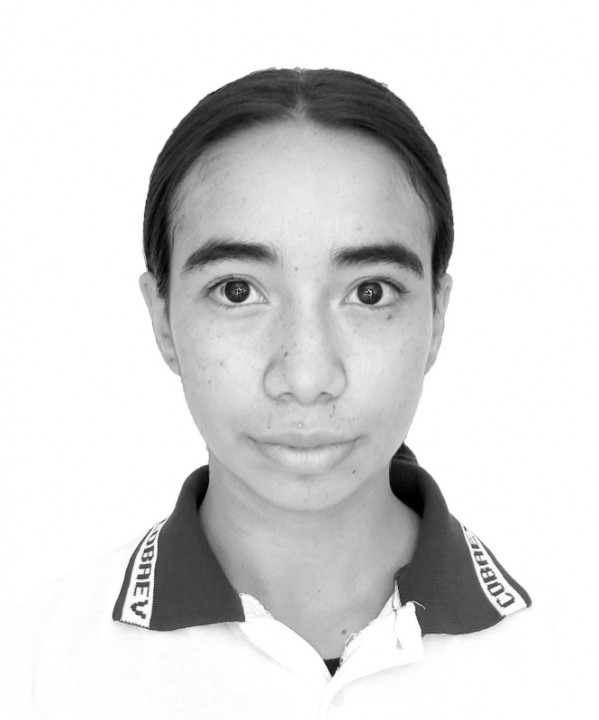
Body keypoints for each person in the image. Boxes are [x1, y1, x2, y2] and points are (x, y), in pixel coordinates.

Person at [1, 67, 556, 719]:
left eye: (369, 292)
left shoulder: (569, 655)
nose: (305, 377)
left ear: (435, 317)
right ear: (163, 320)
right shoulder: (35, 665)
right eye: (237, 291)